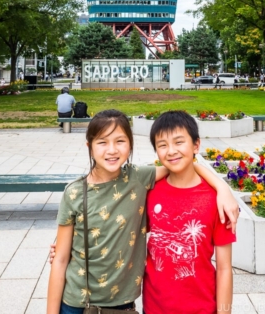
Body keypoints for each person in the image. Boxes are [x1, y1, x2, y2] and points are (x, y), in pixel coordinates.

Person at [47, 110, 239, 314]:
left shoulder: (139, 180)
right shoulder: (81, 191)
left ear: (130, 144)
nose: (111, 150)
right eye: (102, 142)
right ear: (90, 147)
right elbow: (62, 258)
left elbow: (182, 165)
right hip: (88, 302)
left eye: (120, 141)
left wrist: (222, 188)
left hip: (135, 304)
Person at [143, 111, 235, 314]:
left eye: (179, 142)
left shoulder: (218, 201)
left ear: (196, 145)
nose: (171, 151)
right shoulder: (149, 192)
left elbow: (224, 268)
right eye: (162, 145)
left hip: (201, 308)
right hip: (154, 307)